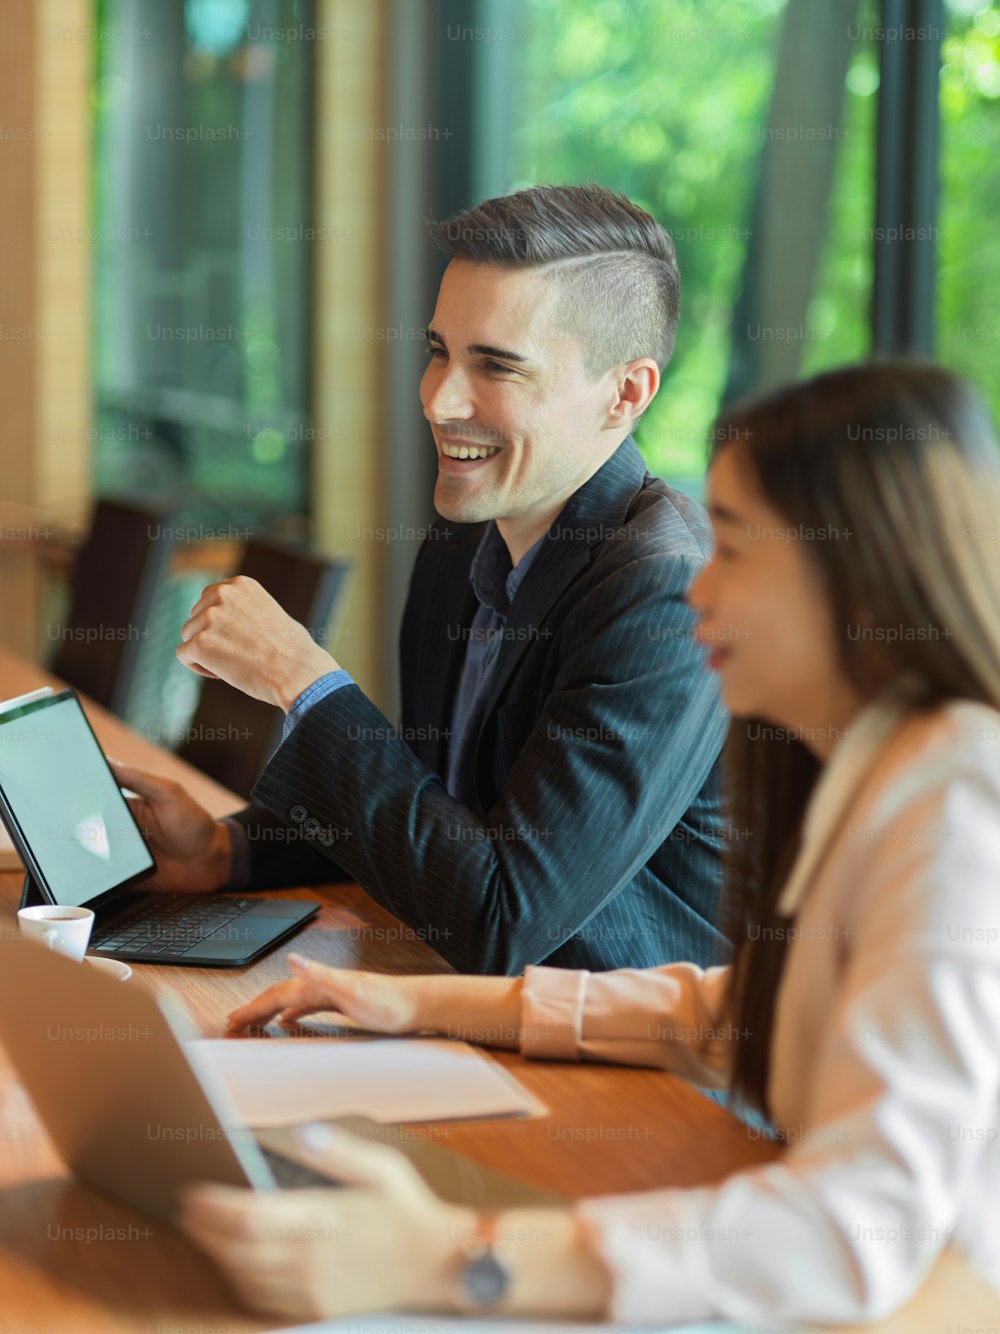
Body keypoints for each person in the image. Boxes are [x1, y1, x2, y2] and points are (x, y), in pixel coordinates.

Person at [179, 363, 1000, 1326]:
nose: (700, 593)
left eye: (731, 550)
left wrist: (458, 1258)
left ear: (849, 573)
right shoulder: (879, 769)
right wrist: (420, 1002)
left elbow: (860, 1234)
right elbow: (737, 1017)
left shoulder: (955, 807)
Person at [113, 184, 730, 976]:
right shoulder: (463, 538)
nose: (440, 400)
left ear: (626, 393)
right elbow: (439, 814)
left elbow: (501, 917)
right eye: (439, 350)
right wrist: (230, 852)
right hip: (477, 1014)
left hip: (637, 1074)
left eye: (498, 366)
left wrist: (301, 678)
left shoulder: (666, 594)